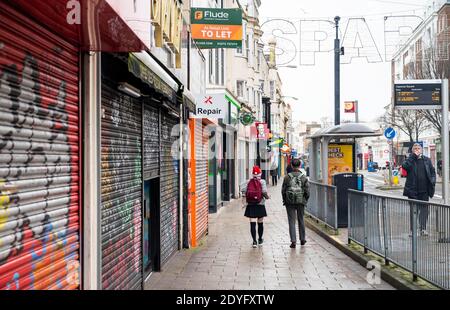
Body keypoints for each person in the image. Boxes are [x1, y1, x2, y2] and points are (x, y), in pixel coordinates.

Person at [402, 143, 436, 236]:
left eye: (418, 148)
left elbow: (432, 172)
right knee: (414, 210)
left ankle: (423, 229)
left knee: (424, 210)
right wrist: (413, 157)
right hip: (412, 191)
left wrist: (432, 182)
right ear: (412, 150)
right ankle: (413, 230)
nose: (417, 150)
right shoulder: (409, 160)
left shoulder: (426, 160)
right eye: (415, 148)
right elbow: (405, 166)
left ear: (421, 150)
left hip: (424, 191)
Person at [282, 158, 310, 248]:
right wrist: (305, 200)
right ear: (300, 165)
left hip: (289, 202)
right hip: (300, 201)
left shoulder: (287, 177)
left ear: (291, 165)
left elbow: (283, 190)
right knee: (301, 219)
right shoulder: (303, 177)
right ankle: (302, 239)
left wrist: (285, 200)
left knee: (291, 221)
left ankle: (293, 241)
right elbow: (307, 191)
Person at [241, 166, 270, 248]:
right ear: (260, 173)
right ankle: (260, 239)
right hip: (260, 204)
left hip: (251, 204)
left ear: (252, 173)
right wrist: (268, 197)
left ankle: (254, 241)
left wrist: (243, 202)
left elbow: (243, 191)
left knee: (252, 223)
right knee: (260, 222)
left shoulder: (248, 181)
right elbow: (264, 192)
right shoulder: (262, 181)